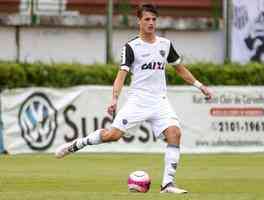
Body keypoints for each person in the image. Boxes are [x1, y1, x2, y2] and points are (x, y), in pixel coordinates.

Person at [55, 4, 211, 194]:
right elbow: (122, 74)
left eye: (154, 19)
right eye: (147, 19)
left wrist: (199, 85)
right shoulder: (131, 46)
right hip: (138, 101)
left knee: (175, 133)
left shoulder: (165, 44)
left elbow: (180, 68)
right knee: (112, 135)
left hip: (160, 101)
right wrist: (114, 99)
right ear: (139, 21)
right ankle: (77, 144)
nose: (151, 23)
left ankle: (167, 184)